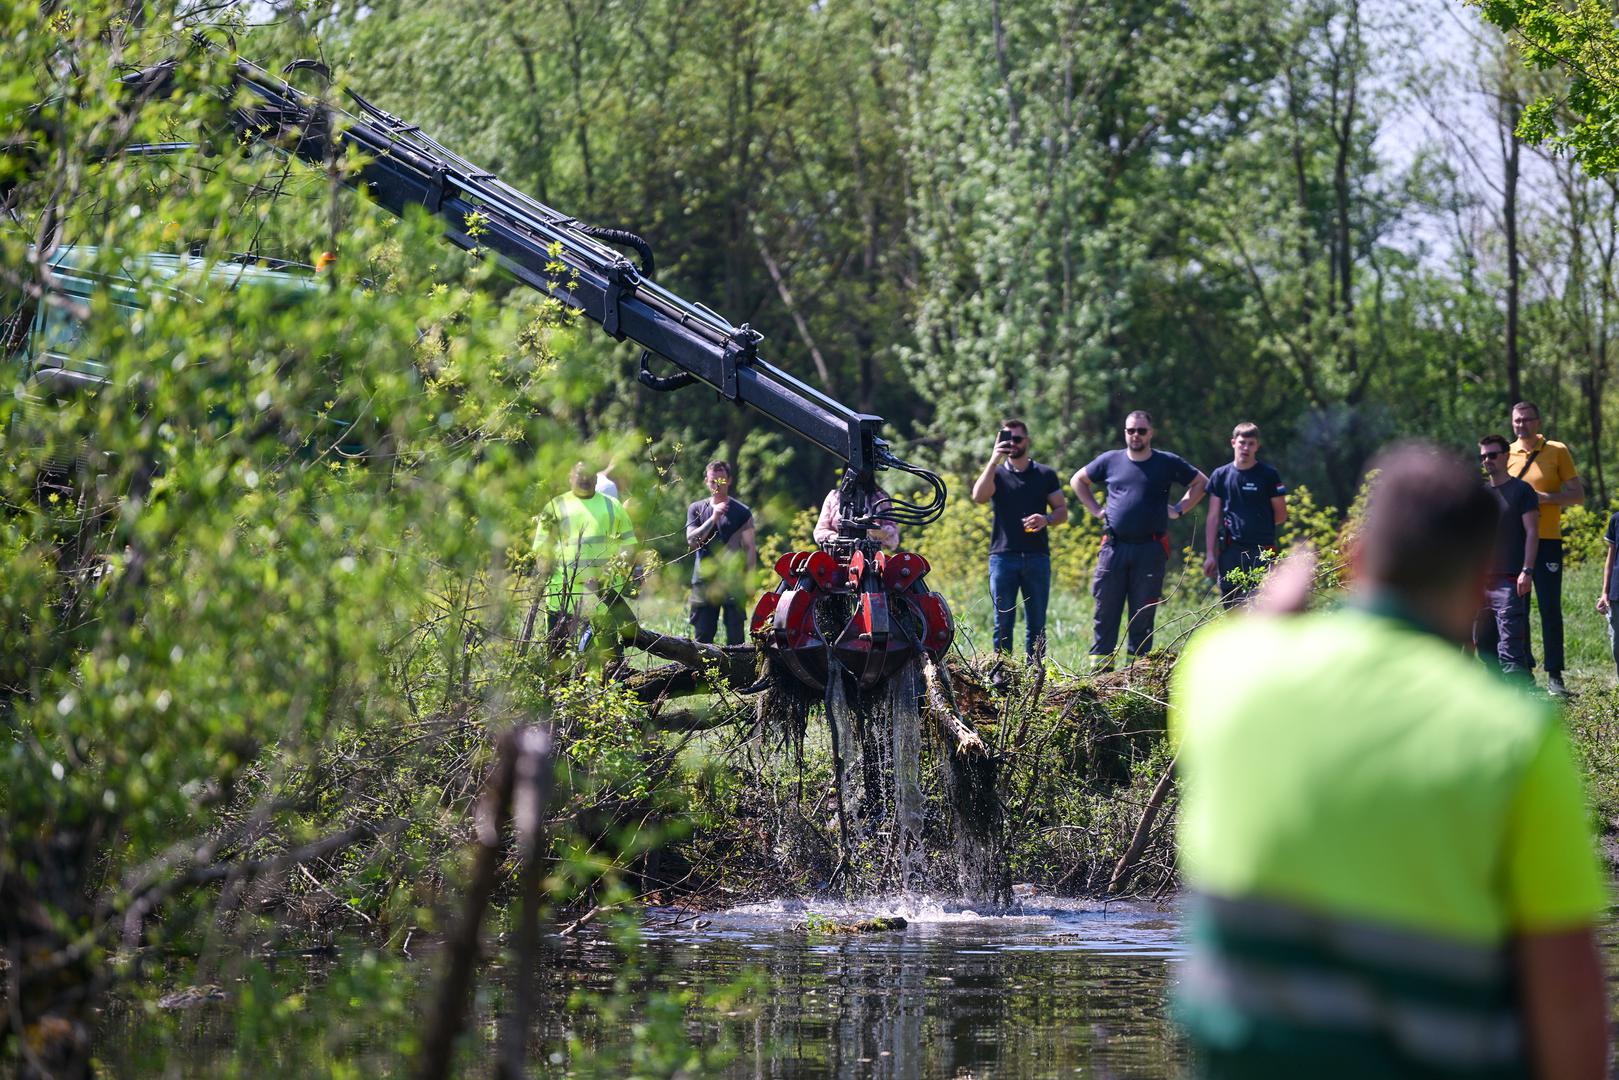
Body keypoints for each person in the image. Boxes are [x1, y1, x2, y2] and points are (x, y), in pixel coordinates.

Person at [1171, 444, 1608, 1079]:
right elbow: (1569, 999)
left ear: (1356, 559)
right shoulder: (1516, 733)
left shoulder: (1221, 672)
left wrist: (1264, 627)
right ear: (1480, 581)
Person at [1071, 410, 1206, 661]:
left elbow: (1201, 482)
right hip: (1114, 547)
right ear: (1125, 432)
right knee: (1105, 612)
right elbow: (1078, 480)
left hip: (1150, 550)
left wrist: (1179, 509)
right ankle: (1100, 673)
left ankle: (1136, 674)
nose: (1136, 435)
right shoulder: (1110, 460)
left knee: (1142, 616)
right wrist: (1096, 510)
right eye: (1131, 430)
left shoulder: (1166, 462)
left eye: (1141, 431)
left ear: (1150, 433)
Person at [969, 418, 1070, 656]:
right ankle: (1001, 670)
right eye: (1006, 439)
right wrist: (994, 459)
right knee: (1003, 622)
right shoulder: (997, 474)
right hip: (1003, 557)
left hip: (1037, 557)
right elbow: (979, 497)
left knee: (1036, 623)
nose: (1012, 443)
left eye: (1016, 439)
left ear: (1027, 441)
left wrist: (1046, 519)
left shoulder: (1045, 474)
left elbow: (1062, 512)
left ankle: (1034, 672)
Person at [1508, 401, 1584, 696]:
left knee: (1550, 608)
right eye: (1517, 420)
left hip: (1548, 540)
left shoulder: (1557, 450)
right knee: (1518, 609)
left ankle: (1555, 675)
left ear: (1538, 422)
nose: (1522, 425)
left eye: (1527, 419)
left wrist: (1543, 498)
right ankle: (1525, 671)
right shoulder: (1506, 453)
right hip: (1516, 543)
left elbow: (1576, 495)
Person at [533, 461, 639, 647]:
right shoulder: (555, 507)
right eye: (579, 475)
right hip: (562, 599)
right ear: (570, 478)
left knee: (606, 656)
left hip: (603, 599)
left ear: (596, 478)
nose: (584, 479)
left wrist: (611, 577)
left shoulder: (613, 506)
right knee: (558, 657)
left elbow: (628, 548)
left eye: (589, 475)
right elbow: (542, 550)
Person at [1201, 422, 1287, 608]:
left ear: (1257, 446)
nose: (1246, 448)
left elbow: (1281, 515)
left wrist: (1258, 527)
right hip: (1230, 551)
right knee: (1232, 608)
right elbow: (1213, 517)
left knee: (1263, 607)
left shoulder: (1269, 475)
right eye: (1242, 443)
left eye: (1251, 443)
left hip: (1262, 550)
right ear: (1233, 443)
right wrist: (1210, 554)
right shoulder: (1220, 475)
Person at [1474, 433, 1539, 678]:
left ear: (1506, 456)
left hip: (1510, 580)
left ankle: (1519, 693)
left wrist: (1527, 570)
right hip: (1481, 582)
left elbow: (1532, 532)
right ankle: (1496, 696)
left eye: (1492, 455)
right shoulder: (1480, 495)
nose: (1487, 460)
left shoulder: (1522, 490)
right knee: (1485, 648)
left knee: (1510, 648)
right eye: (1483, 457)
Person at [685, 459, 758, 645]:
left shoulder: (742, 512)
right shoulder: (696, 509)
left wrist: (750, 581)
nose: (717, 485)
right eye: (713, 481)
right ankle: (704, 666)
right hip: (703, 581)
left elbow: (750, 547)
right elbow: (692, 541)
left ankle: (737, 666)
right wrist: (714, 517)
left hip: (733, 581)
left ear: (729, 480)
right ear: (706, 482)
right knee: (703, 637)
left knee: (736, 638)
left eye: (721, 480)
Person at [813, 478, 901, 551]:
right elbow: (820, 532)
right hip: (837, 555)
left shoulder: (880, 498)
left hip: (872, 558)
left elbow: (894, 538)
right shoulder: (834, 497)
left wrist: (877, 531)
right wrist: (839, 539)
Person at [1597, 507, 1619, 681]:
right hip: (1616, 593)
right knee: (1617, 645)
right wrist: (1605, 592)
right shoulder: (1616, 519)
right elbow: (1610, 559)